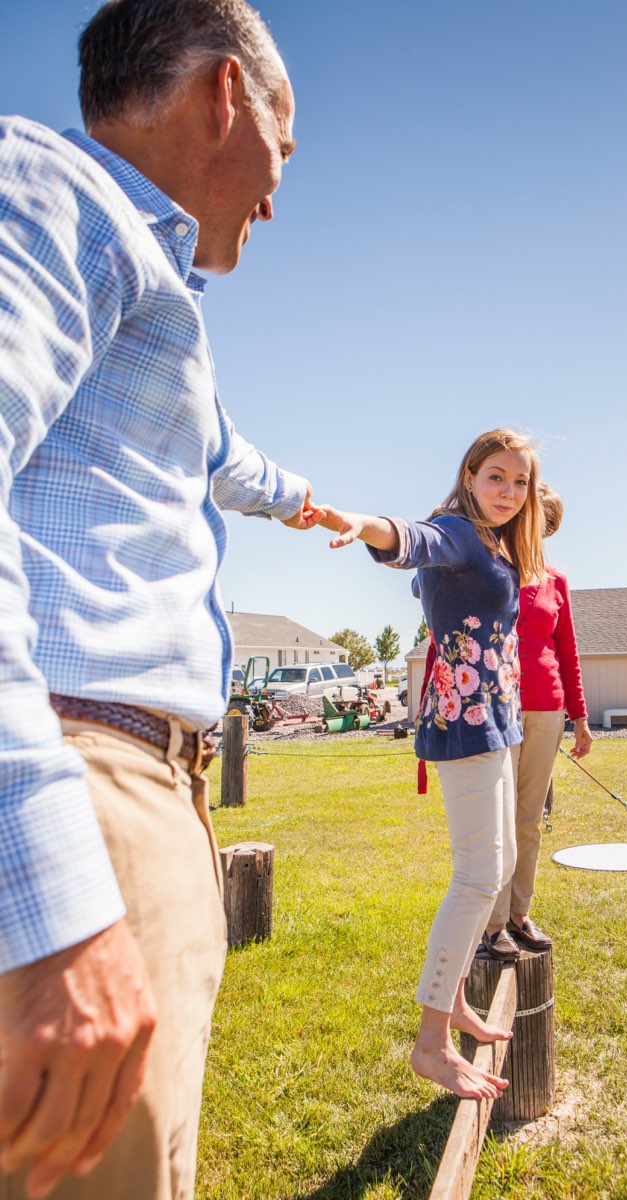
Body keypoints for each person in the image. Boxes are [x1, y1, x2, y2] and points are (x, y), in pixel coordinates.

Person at [0, 3, 321, 1197]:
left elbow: (223, 456)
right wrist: (59, 911)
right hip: (81, 781)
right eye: (284, 150)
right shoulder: (52, 189)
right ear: (225, 96)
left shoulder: (144, 285)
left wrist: (328, 515)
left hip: (136, 793)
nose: (278, 195)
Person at [316, 429, 545, 1100]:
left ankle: (455, 1003)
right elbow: (410, 538)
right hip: (467, 724)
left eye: (520, 481)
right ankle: (431, 1043)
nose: (509, 491)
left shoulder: (500, 542)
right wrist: (357, 523)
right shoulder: (460, 532)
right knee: (478, 876)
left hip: (499, 721)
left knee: (496, 869)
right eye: (496, 476)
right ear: (469, 476)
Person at [483, 482, 592, 960]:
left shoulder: (556, 580)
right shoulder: (491, 572)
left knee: (529, 820)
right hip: (498, 706)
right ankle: (490, 923)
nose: (539, 531)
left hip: (548, 708)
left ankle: (518, 914)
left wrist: (581, 718)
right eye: (534, 520)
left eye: (548, 525)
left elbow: (567, 653)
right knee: (498, 821)